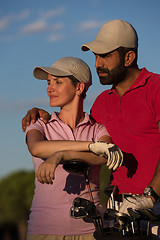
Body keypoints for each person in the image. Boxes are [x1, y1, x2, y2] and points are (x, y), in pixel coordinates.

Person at [22, 20, 160, 238]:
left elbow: (101, 151)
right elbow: (93, 144)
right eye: (95, 56)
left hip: (155, 206)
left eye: (105, 56)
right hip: (119, 211)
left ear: (128, 57)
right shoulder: (102, 104)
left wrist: (151, 196)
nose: (97, 64)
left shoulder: (156, 87)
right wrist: (41, 113)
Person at [24, 56, 123, 240]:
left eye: (58, 82)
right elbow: (37, 148)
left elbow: (105, 156)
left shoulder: (97, 128)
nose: (49, 88)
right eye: (48, 82)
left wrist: (61, 155)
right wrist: (90, 146)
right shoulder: (39, 123)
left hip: (92, 231)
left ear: (79, 87)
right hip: (45, 230)